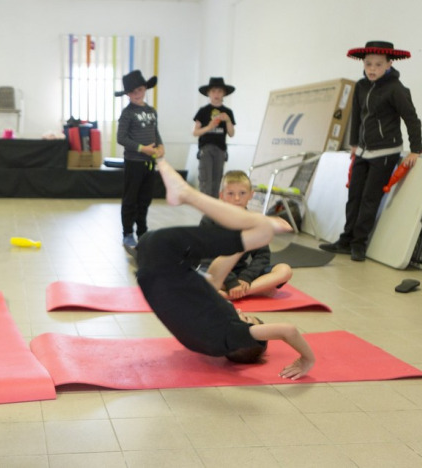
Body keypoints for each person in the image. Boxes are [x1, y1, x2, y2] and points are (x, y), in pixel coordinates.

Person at [135, 159, 315, 379]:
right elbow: (215, 275)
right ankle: (180, 186)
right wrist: (240, 250)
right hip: (152, 263)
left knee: (263, 230)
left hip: (163, 255)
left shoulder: (231, 334)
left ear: (247, 337)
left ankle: (185, 194)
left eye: (248, 320)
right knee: (255, 237)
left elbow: (288, 330)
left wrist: (307, 358)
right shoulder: (208, 337)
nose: (243, 313)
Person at [320, 41, 422, 262]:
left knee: (369, 199)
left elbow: (412, 119)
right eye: (368, 64)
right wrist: (354, 143)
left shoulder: (396, 89)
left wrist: (416, 150)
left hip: (385, 152)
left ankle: (359, 244)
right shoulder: (361, 86)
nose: (372, 69)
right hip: (363, 151)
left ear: (389, 64)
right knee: (354, 196)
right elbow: (356, 116)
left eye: (378, 64)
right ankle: (345, 240)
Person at [200, 170, 293, 300]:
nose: (237, 198)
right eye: (231, 193)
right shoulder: (210, 219)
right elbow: (206, 257)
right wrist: (231, 282)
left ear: (251, 195)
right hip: (215, 271)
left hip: (241, 273)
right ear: (222, 195)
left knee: (285, 270)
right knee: (201, 277)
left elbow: (262, 256)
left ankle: (233, 294)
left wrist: (246, 277)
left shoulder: (256, 222)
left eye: (242, 193)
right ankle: (248, 290)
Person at [115, 69, 164, 248]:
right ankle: (127, 232)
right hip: (134, 163)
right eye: (133, 92)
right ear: (128, 94)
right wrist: (142, 149)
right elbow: (121, 138)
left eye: (140, 90)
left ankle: (142, 231)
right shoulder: (127, 113)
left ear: (145, 89)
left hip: (149, 164)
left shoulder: (151, 111)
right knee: (131, 199)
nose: (137, 94)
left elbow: (155, 131)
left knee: (145, 199)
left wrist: (160, 145)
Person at [193, 77, 236, 197]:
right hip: (206, 149)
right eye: (213, 91)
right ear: (208, 93)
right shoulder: (203, 111)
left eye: (219, 91)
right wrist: (209, 127)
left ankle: (214, 205)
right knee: (205, 180)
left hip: (220, 149)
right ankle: (206, 207)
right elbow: (195, 132)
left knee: (217, 181)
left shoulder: (228, 112)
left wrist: (228, 120)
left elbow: (231, 133)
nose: (216, 94)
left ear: (224, 93)